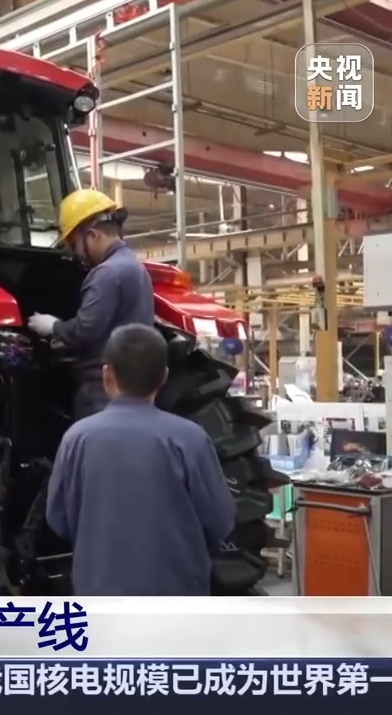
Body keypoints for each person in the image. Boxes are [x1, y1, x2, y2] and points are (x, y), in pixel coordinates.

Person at [45, 324, 235, 596]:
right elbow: (220, 521)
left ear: (107, 375)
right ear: (164, 376)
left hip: (100, 595)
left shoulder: (77, 439)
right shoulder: (190, 439)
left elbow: (58, 519)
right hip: (177, 599)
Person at [26, 189, 155, 418]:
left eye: (74, 244)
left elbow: (86, 330)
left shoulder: (105, 273)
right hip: (131, 381)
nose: (76, 254)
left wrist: (54, 326)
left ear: (93, 235)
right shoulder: (135, 266)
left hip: (101, 387)